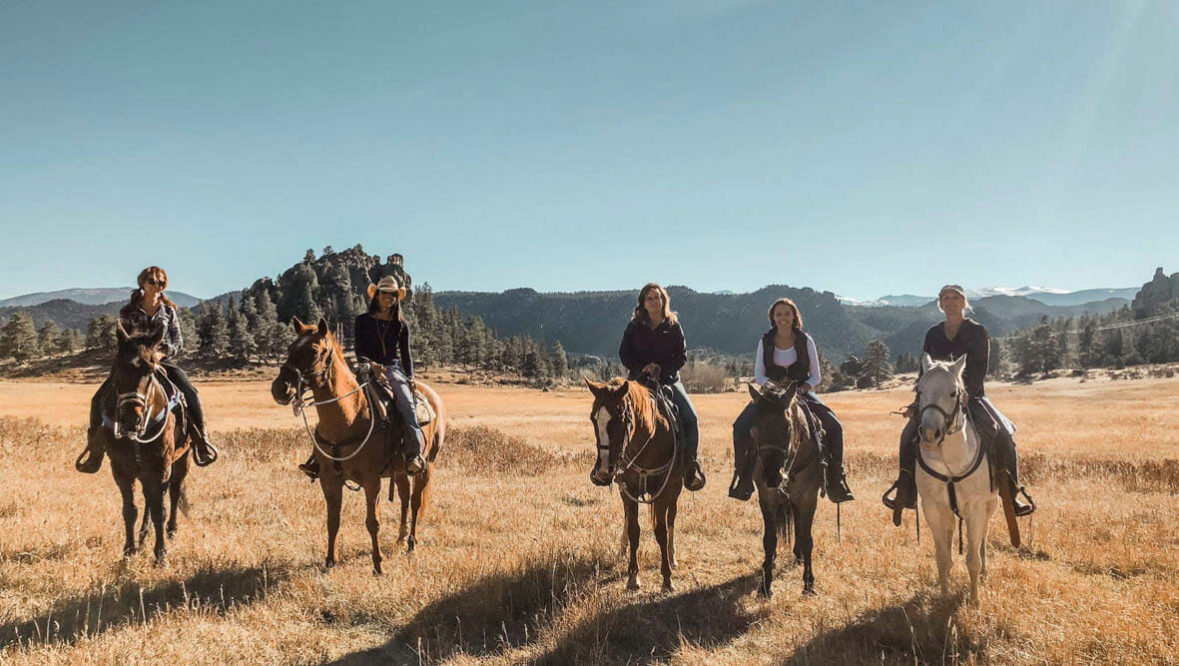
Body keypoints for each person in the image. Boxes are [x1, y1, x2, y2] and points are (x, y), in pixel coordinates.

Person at [882, 284, 1035, 517]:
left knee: (1004, 433)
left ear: (964, 303)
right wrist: (918, 402)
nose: (951, 302)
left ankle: (1011, 494)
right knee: (907, 436)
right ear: (940, 304)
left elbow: (978, 370)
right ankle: (906, 491)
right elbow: (925, 374)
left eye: (955, 298)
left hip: (972, 396)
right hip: (935, 400)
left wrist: (964, 397)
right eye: (946, 298)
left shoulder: (977, 332)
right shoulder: (933, 334)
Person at [75, 266, 219, 473]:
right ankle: (94, 450)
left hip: (161, 362)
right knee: (98, 399)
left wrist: (161, 353)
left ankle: (201, 440)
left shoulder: (169, 311)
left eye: (161, 283)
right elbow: (123, 341)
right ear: (142, 283)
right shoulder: (128, 311)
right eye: (152, 281)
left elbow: (178, 341)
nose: (157, 286)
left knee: (190, 392)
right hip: (133, 365)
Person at [727, 297, 854, 502]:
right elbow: (759, 375)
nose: (783, 318)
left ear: (794, 316)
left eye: (787, 313)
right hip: (771, 395)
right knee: (740, 426)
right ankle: (743, 478)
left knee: (834, 425)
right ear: (773, 318)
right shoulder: (765, 341)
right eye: (778, 314)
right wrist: (773, 387)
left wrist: (802, 388)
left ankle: (836, 480)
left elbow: (816, 375)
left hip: (801, 392)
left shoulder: (806, 341)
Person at [298, 275, 426, 479]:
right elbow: (360, 349)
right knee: (335, 404)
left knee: (407, 404)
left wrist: (410, 377)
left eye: (393, 295)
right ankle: (318, 458)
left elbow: (406, 353)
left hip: (392, 369)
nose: (388, 297)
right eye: (384, 293)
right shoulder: (363, 321)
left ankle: (414, 454)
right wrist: (368, 364)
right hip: (365, 368)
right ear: (377, 295)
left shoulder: (401, 325)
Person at [618, 283, 706, 491]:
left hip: (669, 380)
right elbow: (625, 355)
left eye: (657, 298)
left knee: (691, 418)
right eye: (649, 298)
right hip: (639, 382)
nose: (654, 302)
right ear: (643, 303)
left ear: (663, 301)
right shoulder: (634, 326)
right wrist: (643, 368)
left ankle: (689, 466)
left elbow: (681, 356)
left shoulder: (673, 325)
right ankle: (615, 466)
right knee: (617, 417)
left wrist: (662, 369)